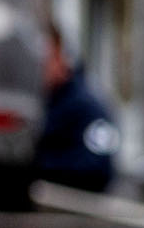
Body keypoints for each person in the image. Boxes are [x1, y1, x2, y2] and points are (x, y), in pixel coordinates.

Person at [38, 31, 121, 194]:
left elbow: (98, 167)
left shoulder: (88, 107)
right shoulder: (41, 101)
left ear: (59, 57)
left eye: (44, 62)